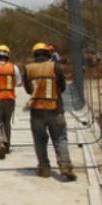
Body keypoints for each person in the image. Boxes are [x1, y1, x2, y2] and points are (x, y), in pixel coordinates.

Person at [22, 43, 77, 181]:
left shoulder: (28, 68)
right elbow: (63, 87)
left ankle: (44, 168)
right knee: (60, 138)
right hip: (55, 109)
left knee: (39, 140)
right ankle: (65, 166)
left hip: (36, 111)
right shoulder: (55, 67)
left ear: (34, 54)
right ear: (48, 54)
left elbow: (28, 90)